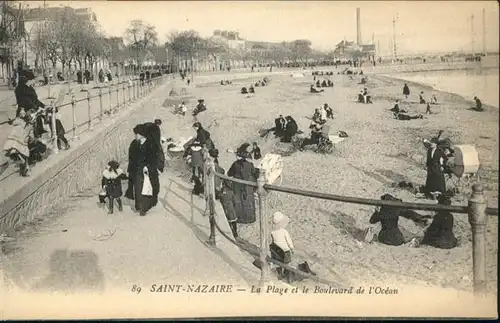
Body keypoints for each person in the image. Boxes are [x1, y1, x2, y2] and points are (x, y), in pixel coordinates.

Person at [133, 124, 161, 216]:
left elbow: (153, 157)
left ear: (141, 134)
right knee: (138, 187)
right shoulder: (136, 144)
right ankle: (139, 206)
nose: (135, 136)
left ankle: (144, 208)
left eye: (136, 134)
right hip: (138, 169)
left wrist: (147, 166)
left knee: (146, 188)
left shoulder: (150, 144)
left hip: (148, 169)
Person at [227, 143, 258, 224]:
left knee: (238, 201)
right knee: (248, 201)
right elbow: (254, 173)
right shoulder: (250, 164)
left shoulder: (235, 164)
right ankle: (250, 218)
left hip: (237, 185)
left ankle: (241, 218)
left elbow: (229, 174)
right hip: (248, 186)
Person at [270, 212, 294, 282]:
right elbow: (288, 240)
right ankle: (288, 277)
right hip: (285, 250)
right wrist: (292, 248)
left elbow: (272, 242)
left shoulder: (272, 232)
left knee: (278, 263)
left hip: (277, 250)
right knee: (287, 263)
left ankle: (280, 274)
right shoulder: (284, 231)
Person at [125, 125, 142, 200]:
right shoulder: (134, 143)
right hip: (133, 166)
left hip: (137, 167)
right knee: (131, 181)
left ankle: (135, 196)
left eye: (136, 134)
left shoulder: (141, 144)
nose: (135, 136)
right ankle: (130, 194)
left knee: (136, 183)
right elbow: (131, 156)